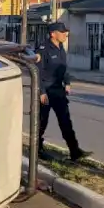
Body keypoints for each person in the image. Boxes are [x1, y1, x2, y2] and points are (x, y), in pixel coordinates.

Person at [35, 22, 92, 161]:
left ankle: (75, 151)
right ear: (53, 34)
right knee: (42, 122)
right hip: (46, 91)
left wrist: (67, 82)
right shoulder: (43, 49)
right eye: (62, 32)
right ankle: (36, 149)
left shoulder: (60, 47)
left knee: (65, 120)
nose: (65, 34)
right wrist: (41, 91)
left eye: (66, 32)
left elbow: (63, 67)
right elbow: (37, 72)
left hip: (58, 90)